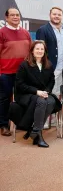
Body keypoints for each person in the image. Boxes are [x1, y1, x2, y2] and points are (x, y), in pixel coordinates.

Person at [14, 40, 62, 147]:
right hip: (26, 94)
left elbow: (52, 80)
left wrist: (47, 92)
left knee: (51, 101)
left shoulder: (48, 64)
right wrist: (37, 92)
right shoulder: (24, 65)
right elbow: (20, 84)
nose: (40, 51)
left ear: (45, 51)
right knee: (41, 101)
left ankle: (34, 130)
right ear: (32, 51)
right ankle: (38, 134)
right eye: (37, 49)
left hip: (43, 93)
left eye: (42, 49)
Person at [36, 7, 63, 126]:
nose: (56, 16)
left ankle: (58, 118)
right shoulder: (43, 30)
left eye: (59, 14)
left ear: (62, 16)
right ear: (50, 15)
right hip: (51, 68)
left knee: (61, 95)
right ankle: (46, 119)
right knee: (49, 93)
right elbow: (39, 50)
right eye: (54, 14)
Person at [0, 8, 31, 137]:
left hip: (23, 73)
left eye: (17, 15)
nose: (15, 17)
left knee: (22, 99)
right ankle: (3, 124)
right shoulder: (1, 33)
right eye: (12, 15)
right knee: (4, 99)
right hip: (6, 72)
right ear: (6, 18)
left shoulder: (25, 33)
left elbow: (30, 53)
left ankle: (20, 123)